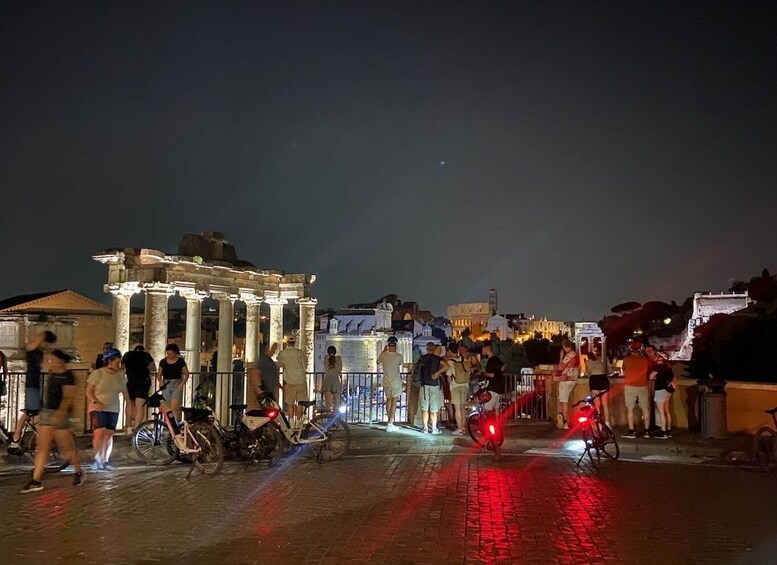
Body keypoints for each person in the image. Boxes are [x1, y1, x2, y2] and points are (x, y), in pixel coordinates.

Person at [21, 349, 83, 493]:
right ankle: (36, 480)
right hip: (47, 413)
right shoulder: (51, 373)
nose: (49, 361)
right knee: (42, 447)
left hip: (59, 415)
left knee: (66, 447)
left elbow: (68, 397)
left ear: (60, 361)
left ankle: (78, 471)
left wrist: (60, 413)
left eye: (52, 359)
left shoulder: (68, 376)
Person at [9, 330, 56, 450]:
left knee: (30, 411)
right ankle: (17, 436)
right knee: (28, 411)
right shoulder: (32, 349)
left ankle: (17, 437)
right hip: (32, 384)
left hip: (35, 384)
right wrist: (42, 337)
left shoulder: (39, 351)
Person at [86, 347, 129, 470]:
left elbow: (125, 393)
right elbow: (89, 391)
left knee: (109, 435)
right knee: (99, 432)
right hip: (98, 408)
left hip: (113, 407)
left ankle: (105, 460)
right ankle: (96, 458)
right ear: (109, 361)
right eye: (117, 361)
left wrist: (129, 408)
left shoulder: (120, 376)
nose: (119, 364)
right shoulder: (98, 373)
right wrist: (96, 401)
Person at [121, 344, 156, 431]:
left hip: (130, 381)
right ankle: (137, 428)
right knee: (140, 406)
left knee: (129, 404)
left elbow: (122, 368)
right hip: (143, 381)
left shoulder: (127, 355)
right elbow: (153, 368)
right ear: (143, 350)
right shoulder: (146, 355)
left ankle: (128, 427)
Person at [621, 341, 651, 438]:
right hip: (643, 385)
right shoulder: (645, 360)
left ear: (630, 349)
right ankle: (647, 431)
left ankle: (631, 431)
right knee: (645, 409)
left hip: (630, 385)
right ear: (640, 349)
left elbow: (624, 371)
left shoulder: (626, 360)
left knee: (630, 409)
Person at [417, 342, 448, 434]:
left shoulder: (422, 358)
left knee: (425, 407)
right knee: (434, 408)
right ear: (434, 349)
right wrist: (437, 373)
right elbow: (446, 366)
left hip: (424, 384)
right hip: (434, 384)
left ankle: (425, 428)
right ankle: (434, 428)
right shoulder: (438, 359)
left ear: (426, 348)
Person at [276, 337, 308, 425]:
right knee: (300, 403)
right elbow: (305, 365)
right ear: (294, 343)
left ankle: (291, 421)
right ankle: (298, 422)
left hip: (289, 381)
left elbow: (279, 361)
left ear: (287, 343)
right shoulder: (299, 353)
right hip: (301, 380)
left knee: (290, 403)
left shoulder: (283, 353)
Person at [156, 343, 189, 422]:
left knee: (174, 407)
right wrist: (160, 382)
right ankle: (168, 425)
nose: (169, 355)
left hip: (177, 384)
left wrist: (182, 384)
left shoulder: (180, 361)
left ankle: (176, 426)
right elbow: (159, 374)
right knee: (166, 407)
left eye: (171, 354)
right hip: (166, 384)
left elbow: (186, 373)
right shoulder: (163, 362)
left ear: (175, 353)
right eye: (167, 353)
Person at [377, 336, 404, 432]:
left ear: (388, 345)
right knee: (394, 403)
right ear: (396, 345)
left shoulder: (384, 355)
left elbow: (377, 361)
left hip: (386, 381)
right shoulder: (399, 356)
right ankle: (390, 423)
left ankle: (389, 421)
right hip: (396, 381)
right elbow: (400, 364)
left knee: (388, 401)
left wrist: (384, 351)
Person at [446, 342, 470, 436]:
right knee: (463, 408)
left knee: (457, 409)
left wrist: (450, 383)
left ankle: (459, 429)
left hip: (455, 386)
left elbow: (448, 377)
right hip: (465, 385)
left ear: (449, 351)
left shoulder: (450, 362)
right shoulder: (464, 359)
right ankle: (463, 428)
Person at [651, 353, 675, 439]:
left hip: (660, 390)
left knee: (661, 412)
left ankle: (663, 432)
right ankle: (668, 431)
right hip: (668, 391)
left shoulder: (658, 367)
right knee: (667, 411)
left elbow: (651, 376)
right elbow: (673, 378)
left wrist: (655, 376)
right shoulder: (668, 367)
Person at [584, 351, 610, 427]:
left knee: (597, 404)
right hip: (603, 379)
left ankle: (599, 424)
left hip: (594, 379)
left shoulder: (587, 362)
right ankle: (607, 423)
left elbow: (587, 374)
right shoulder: (600, 360)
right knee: (605, 404)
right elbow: (606, 371)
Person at [481, 340, 505, 415]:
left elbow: (492, 374)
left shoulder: (491, 361)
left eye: (482, 348)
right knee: (496, 408)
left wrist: (483, 373)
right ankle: (497, 424)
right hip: (499, 387)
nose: (481, 350)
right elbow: (503, 367)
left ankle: (488, 425)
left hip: (493, 387)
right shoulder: (496, 359)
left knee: (487, 408)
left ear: (486, 348)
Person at [321, 345, 343, 412]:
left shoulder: (326, 358)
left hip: (327, 380)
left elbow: (325, 368)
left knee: (328, 404)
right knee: (337, 404)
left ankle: (328, 419)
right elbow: (339, 370)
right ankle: (336, 419)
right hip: (335, 381)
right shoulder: (338, 358)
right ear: (335, 352)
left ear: (327, 352)